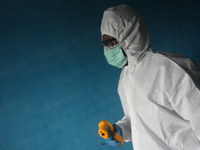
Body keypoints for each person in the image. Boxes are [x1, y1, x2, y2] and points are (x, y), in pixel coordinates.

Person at [100, 5, 200, 150]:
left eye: (111, 42)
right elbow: (138, 119)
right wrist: (121, 130)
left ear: (128, 37)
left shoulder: (169, 69)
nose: (108, 49)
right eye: (105, 44)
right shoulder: (125, 79)